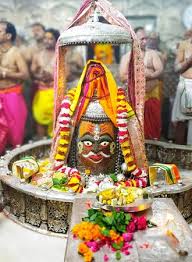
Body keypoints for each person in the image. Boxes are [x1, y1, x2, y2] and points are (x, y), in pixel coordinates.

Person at [119, 27, 164, 140]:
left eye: (146, 38)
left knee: (153, 128)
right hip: (136, 98)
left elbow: (160, 70)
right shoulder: (127, 57)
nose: (145, 41)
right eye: (142, 39)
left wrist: (150, 76)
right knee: (137, 128)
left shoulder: (152, 54)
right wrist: (140, 76)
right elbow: (123, 76)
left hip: (152, 97)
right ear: (134, 39)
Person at [0, 21, 29, 154]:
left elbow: (25, 75)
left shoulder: (16, 52)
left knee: (14, 131)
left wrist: (5, 73)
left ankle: (14, 161)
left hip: (12, 95)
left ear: (8, 35)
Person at [31, 28, 60, 138]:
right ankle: (41, 147)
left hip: (55, 93)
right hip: (42, 92)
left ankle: (54, 147)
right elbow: (33, 72)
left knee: (56, 121)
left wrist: (51, 77)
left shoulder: (60, 55)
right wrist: (41, 76)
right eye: (45, 38)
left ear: (56, 40)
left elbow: (67, 74)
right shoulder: (37, 55)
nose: (47, 41)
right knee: (39, 118)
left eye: (50, 38)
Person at [171, 33, 192, 145]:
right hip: (185, 84)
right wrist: (188, 61)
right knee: (181, 121)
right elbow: (176, 68)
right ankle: (179, 153)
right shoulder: (184, 45)